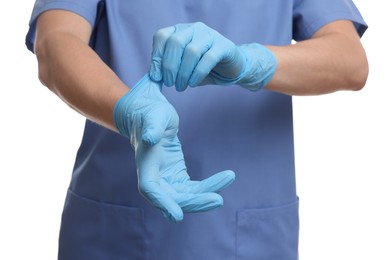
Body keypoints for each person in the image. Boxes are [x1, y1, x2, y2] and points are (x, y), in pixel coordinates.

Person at [25, 0, 368, 259]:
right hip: (113, 229)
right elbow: (56, 40)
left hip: (253, 232)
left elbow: (349, 59)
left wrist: (252, 62)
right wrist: (132, 112)